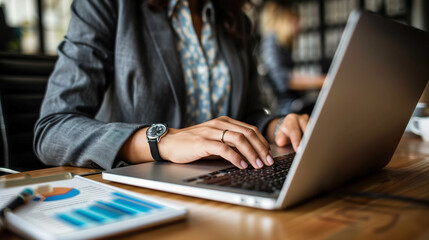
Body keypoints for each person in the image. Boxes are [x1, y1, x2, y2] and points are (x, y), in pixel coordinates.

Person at [34, 0, 309, 171]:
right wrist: (162, 141)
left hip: (226, 178)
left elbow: (248, 113)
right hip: (138, 192)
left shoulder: (235, 19)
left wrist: (278, 127)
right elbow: (52, 129)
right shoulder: (107, 5)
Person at [259, 0, 324, 115]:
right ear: (283, 20)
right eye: (295, 20)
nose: (300, 26)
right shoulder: (271, 43)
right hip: (287, 111)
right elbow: (284, 78)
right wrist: (324, 80)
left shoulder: (280, 45)